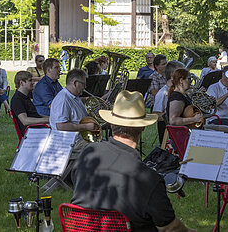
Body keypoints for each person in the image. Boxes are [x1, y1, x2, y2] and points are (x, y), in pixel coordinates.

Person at [71, 90, 196, 232]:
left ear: (111, 124)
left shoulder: (88, 153)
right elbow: (170, 227)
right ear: (142, 127)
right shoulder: (148, 178)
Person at [49, 69, 96, 134]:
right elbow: (60, 126)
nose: (85, 87)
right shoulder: (63, 99)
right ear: (75, 83)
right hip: (71, 141)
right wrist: (86, 127)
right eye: (83, 84)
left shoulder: (74, 96)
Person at [152, 60, 185, 143]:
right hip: (169, 136)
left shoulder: (182, 91)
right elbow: (156, 116)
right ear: (172, 76)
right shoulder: (162, 93)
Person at [10, 71, 49, 135]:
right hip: (32, 133)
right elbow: (25, 120)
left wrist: (52, 118)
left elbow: (34, 114)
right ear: (21, 83)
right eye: (30, 80)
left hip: (38, 130)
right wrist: (48, 120)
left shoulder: (25, 97)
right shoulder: (17, 100)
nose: (33, 83)